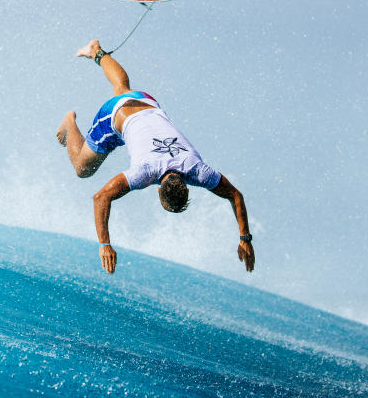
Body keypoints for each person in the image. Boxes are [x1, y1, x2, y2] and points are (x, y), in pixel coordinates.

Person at [56, 39, 255, 275]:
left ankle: (96, 51)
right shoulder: (146, 172)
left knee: (122, 87)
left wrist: (245, 238)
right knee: (82, 168)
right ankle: (69, 123)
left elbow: (235, 195)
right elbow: (100, 198)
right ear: (158, 189)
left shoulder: (198, 170)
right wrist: (105, 245)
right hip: (116, 115)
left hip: (148, 103)